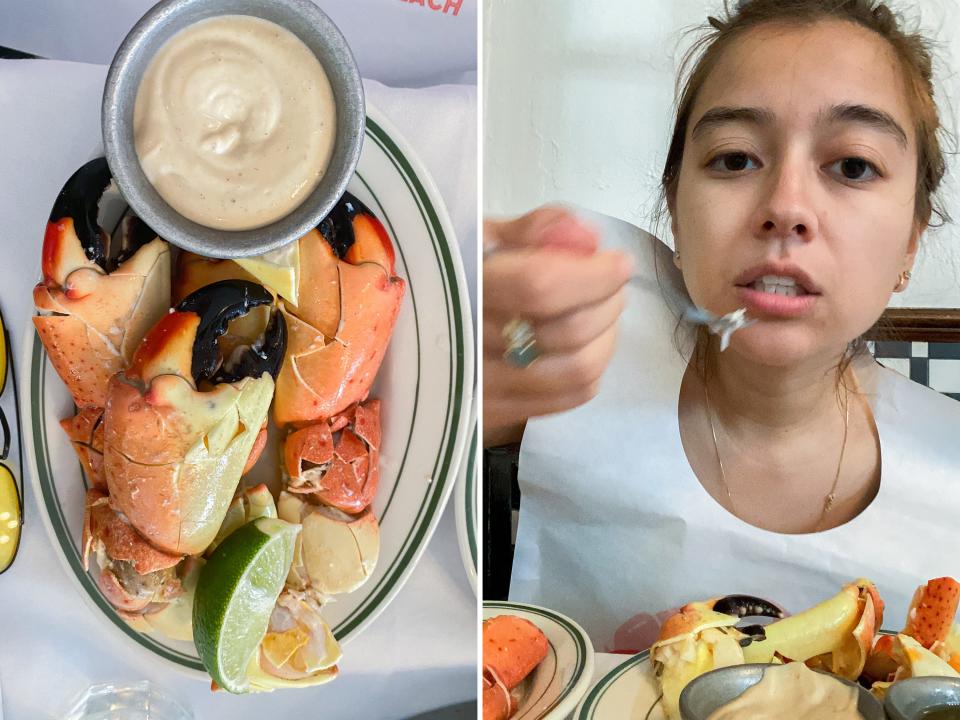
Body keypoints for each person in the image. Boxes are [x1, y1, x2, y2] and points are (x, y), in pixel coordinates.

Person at [484, 0, 960, 653]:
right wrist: (453, 370)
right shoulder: (576, 361)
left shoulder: (949, 469)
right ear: (675, 213)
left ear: (911, 237)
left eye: (852, 165)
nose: (786, 207)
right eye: (736, 159)